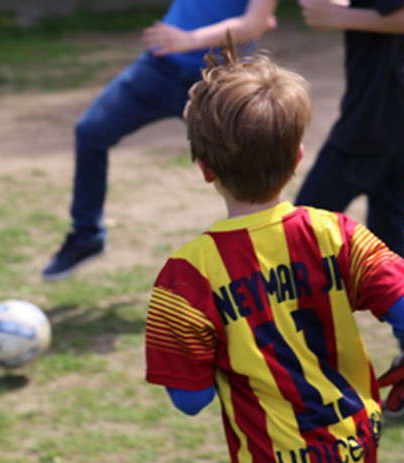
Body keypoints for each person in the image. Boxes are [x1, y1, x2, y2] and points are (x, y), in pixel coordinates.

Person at [145, 35, 404, 463]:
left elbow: (189, 400)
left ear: (203, 169)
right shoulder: (338, 235)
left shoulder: (188, 277)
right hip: (354, 453)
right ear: (298, 158)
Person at [294, 0, 404, 407]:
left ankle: (300, 374)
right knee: (391, 238)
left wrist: (339, 16)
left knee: (297, 235)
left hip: (375, 121)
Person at [41, 0, 278, 281]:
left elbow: (253, 23)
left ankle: (262, 254)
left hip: (219, 77)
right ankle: (85, 235)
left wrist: (190, 39)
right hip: (161, 65)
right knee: (91, 131)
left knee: (242, 166)